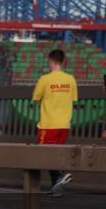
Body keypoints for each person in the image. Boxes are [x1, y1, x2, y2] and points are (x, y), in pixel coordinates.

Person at [32, 49, 77, 197]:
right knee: (56, 154)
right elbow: (73, 100)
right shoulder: (71, 79)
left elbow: (36, 99)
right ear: (63, 62)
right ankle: (56, 188)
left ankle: (61, 176)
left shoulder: (45, 79)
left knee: (45, 154)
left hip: (48, 124)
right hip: (64, 124)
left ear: (51, 61)